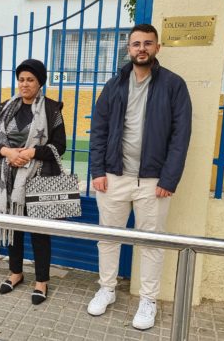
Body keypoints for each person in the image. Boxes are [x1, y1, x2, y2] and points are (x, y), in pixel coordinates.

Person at [87, 24, 192, 330]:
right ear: (128, 49)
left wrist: (168, 180)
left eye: (147, 43)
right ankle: (106, 289)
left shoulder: (173, 85)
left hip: (152, 180)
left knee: (151, 242)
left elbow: (180, 136)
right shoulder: (115, 84)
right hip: (114, 177)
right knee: (108, 238)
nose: (141, 48)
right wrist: (97, 171)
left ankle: (149, 300)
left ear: (157, 48)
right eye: (136, 44)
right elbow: (99, 130)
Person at [0, 59, 66, 305]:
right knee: (14, 228)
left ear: (39, 83)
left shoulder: (52, 110)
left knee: (39, 232)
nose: (24, 84)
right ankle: (15, 273)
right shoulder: (5, 107)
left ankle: (41, 280)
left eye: (30, 80)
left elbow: (60, 147)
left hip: (40, 177)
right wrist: (8, 153)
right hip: (8, 177)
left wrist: (32, 153)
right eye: (21, 79)